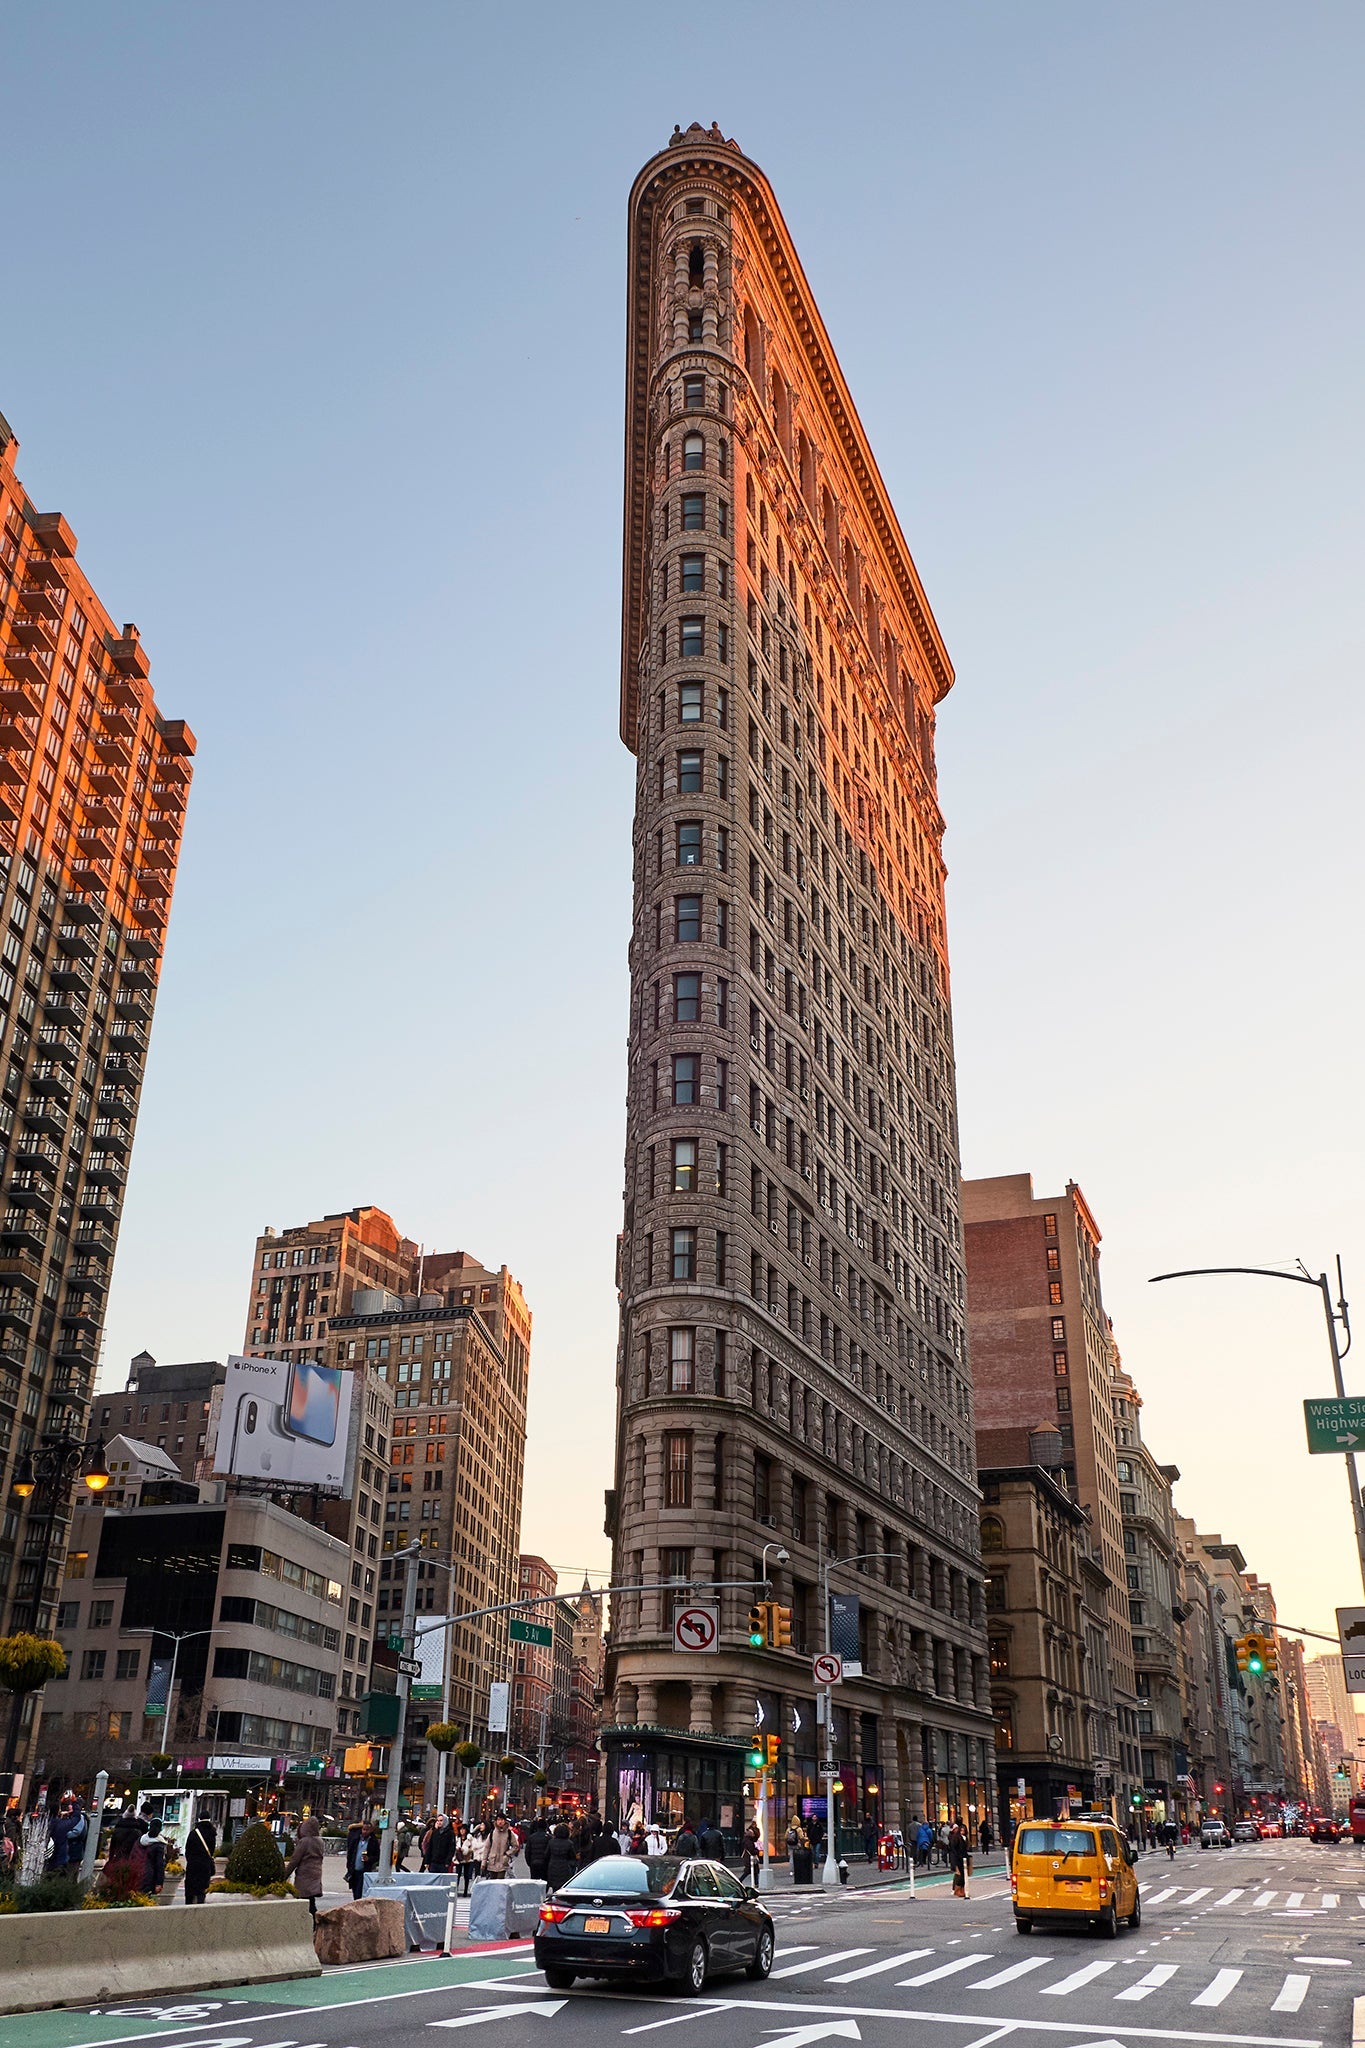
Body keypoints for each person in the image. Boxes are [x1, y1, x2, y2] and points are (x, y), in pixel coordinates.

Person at [285, 1815, 324, 1918]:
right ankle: (315, 1921)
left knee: (304, 1902)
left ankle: (310, 1922)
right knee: (311, 1901)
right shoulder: (320, 1841)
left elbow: (294, 1860)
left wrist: (284, 1875)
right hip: (315, 1875)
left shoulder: (305, 1842)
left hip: (304, 1876)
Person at [183, 1815, 218, 1906]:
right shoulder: (212, 1833)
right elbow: (212, 1850)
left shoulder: (193, 1833)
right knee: (202, 1889)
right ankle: (200, 1907)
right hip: (205, 1864)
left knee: (190, 1889)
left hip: (193, 1865)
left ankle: (188, 1908)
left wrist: (190, 1860)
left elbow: (188, 1850)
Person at [345, 1818, 379, 1900]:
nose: (365, 1832)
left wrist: (369, 1859)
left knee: (360, 1892)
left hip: (364, 1870)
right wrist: (349, 1867)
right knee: (355, 1891)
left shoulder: (373, 1841)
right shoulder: (355, 1839)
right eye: (363, 1829)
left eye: (367, 1830)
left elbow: (377, 1856)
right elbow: (350, 1853)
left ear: (371, 1830)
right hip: (354, 1870)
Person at [139, 1817, 168, 1898]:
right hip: (151, 1877)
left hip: (138, 1874)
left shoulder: (140, 1840)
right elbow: (160, 1865)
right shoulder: (159, 1845)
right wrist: (159, 1883)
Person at [545, 1822, 576, 1890]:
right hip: (564, 1866)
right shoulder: (569, 1843)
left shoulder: (551, 1842)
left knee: (554, 1887)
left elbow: (546, 1855)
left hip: (553, 1865)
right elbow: (573, 1857)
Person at [484, 1814, 514, 1879]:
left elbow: (516, 1846)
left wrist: (507, 1854)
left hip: (503, 1863)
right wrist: (484, 1862)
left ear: (505, 1821)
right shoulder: (492, 1833)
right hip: (492, 1862)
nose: (500, 1822)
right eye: (498, 1820)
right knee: (492, 1883)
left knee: (500, 1882)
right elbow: (487, 1847)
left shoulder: (509, 1833)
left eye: (502, 1820)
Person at [523, 1816, 551, 1882]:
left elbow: (527, 1852)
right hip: (545, 1864)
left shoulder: (531, 1837)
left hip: (534, 1863)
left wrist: (529, 1863)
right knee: (545, 1881)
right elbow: (550, 1852)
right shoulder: (549, 1838)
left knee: (534, 1881)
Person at [948, 1819, 970, 1899]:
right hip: (957, 1858)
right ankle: (957, 1890)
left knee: (964, 1875)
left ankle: (962, 1890)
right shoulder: (956, 1838)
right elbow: (953, 1849)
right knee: (960, 1875)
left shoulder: (965, 1838)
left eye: (963, 1830)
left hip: (963, 1858)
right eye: (961, 1830)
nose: (962, 1832)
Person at [741, 1819, 762, 1884]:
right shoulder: (749, 1841)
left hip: (748, 1857)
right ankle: (740, 1880)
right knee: (749, 1871)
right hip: (750, 1857)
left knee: (754, 1871)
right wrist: (757, 1851)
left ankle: (756, 1883)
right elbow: (752, 1850)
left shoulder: (747, 1840)